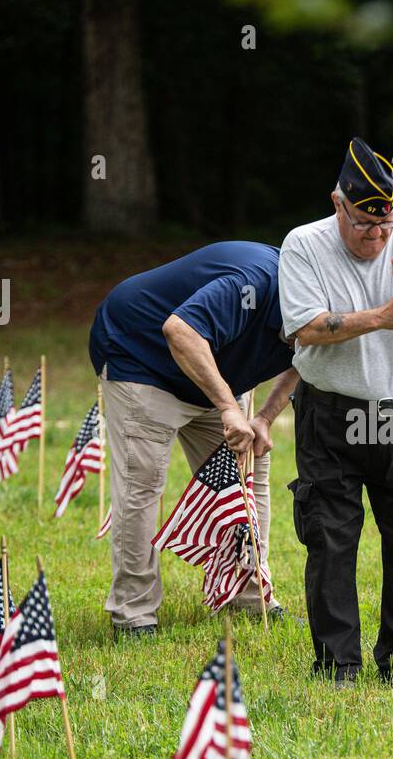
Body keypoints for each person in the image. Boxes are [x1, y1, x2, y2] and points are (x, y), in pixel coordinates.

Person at [277, 138, 393, 691]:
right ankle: (338, 666)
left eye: (385, 225)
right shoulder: (303, 245)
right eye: (363, 225)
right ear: (339, 204)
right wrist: (380, 315)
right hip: (329, 416)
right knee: (331, 538)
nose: (377, 236)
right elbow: (305, 328)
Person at [89, 241, 300, 636]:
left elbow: (311, 360)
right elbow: (180, 330)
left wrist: (265, 418)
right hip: (140, 353)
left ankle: (249, 596)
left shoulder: (322, 306)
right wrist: (227, 407)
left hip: (212, 367)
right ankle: (134, 614)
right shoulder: (251, 283)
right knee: (143, 481)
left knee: (245, 473)